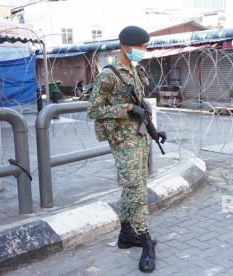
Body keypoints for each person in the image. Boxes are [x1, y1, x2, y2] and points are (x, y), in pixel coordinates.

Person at [87, 25, 165, 273]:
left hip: (140, 138)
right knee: (137, 191)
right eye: (139, 47)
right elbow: (94, 110)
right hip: (123, 141)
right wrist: (127, 110)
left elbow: (141, 103)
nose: (143, 51)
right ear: (124, 46)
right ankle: (145, 244)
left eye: (145, 47)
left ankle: (125, 234)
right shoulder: (108, 74)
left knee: (135, 187)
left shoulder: (136, 70)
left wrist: (153, 129)